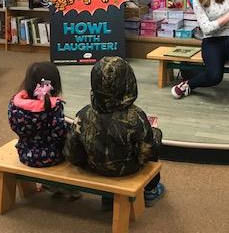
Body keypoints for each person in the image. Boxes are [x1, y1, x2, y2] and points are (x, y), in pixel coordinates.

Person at [64, 57, 166, 206]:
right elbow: (147, 153)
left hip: (93, 167)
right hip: (128, 170)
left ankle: (109, 198)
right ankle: (150, 190)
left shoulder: (83, 114)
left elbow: (72, 152)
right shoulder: (136, 117)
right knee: (156, 134)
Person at [8, 62, 68, 167]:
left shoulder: (15, 103)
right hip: (54, 156)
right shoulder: (54, 106)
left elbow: (14, 126)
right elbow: (60, 133)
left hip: (25, 154)